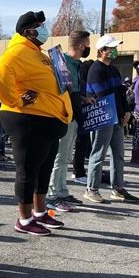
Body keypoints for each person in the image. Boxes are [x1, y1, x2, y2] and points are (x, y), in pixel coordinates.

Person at [0, 10, 71, 236]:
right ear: (29, 31)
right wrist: (16, 100)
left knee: (43, 168)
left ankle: (39, 212)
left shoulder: (38, 53)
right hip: (27, 120)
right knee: (27, 170)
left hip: (49, 119)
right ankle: (24, 220)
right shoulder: (16, 52)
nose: (44, 30)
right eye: (39, 26)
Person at [84, 35, 139, 204]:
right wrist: (120, 114)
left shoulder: (114, 70)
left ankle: (118, 189)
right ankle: (91, 189)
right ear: (101, 51)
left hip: (117, 118)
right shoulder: (95, 69)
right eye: (111, 48)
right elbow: (103, 96)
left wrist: (127, 113)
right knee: (98, 154)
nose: (114, 50)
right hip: (104, 118)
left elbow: (120, 94)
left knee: (118, 155)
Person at [46, 30, 91, 211]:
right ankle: (51, 194)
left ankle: (62, 191)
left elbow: (72, 90)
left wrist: (83, 99)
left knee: (65, 157)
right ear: (81, 45)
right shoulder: (61, 63)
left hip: (73, 115)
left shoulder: (76, 64)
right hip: (62, 116)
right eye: (87, 44)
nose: (88, 48)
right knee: (59, 157)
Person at [72, 59, 94, 184]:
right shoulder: (81, 83)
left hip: (84, 117)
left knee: (84, 145)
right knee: (81, 145)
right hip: (80, 117)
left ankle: (80, 171)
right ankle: (78, 172)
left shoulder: (84, 82)